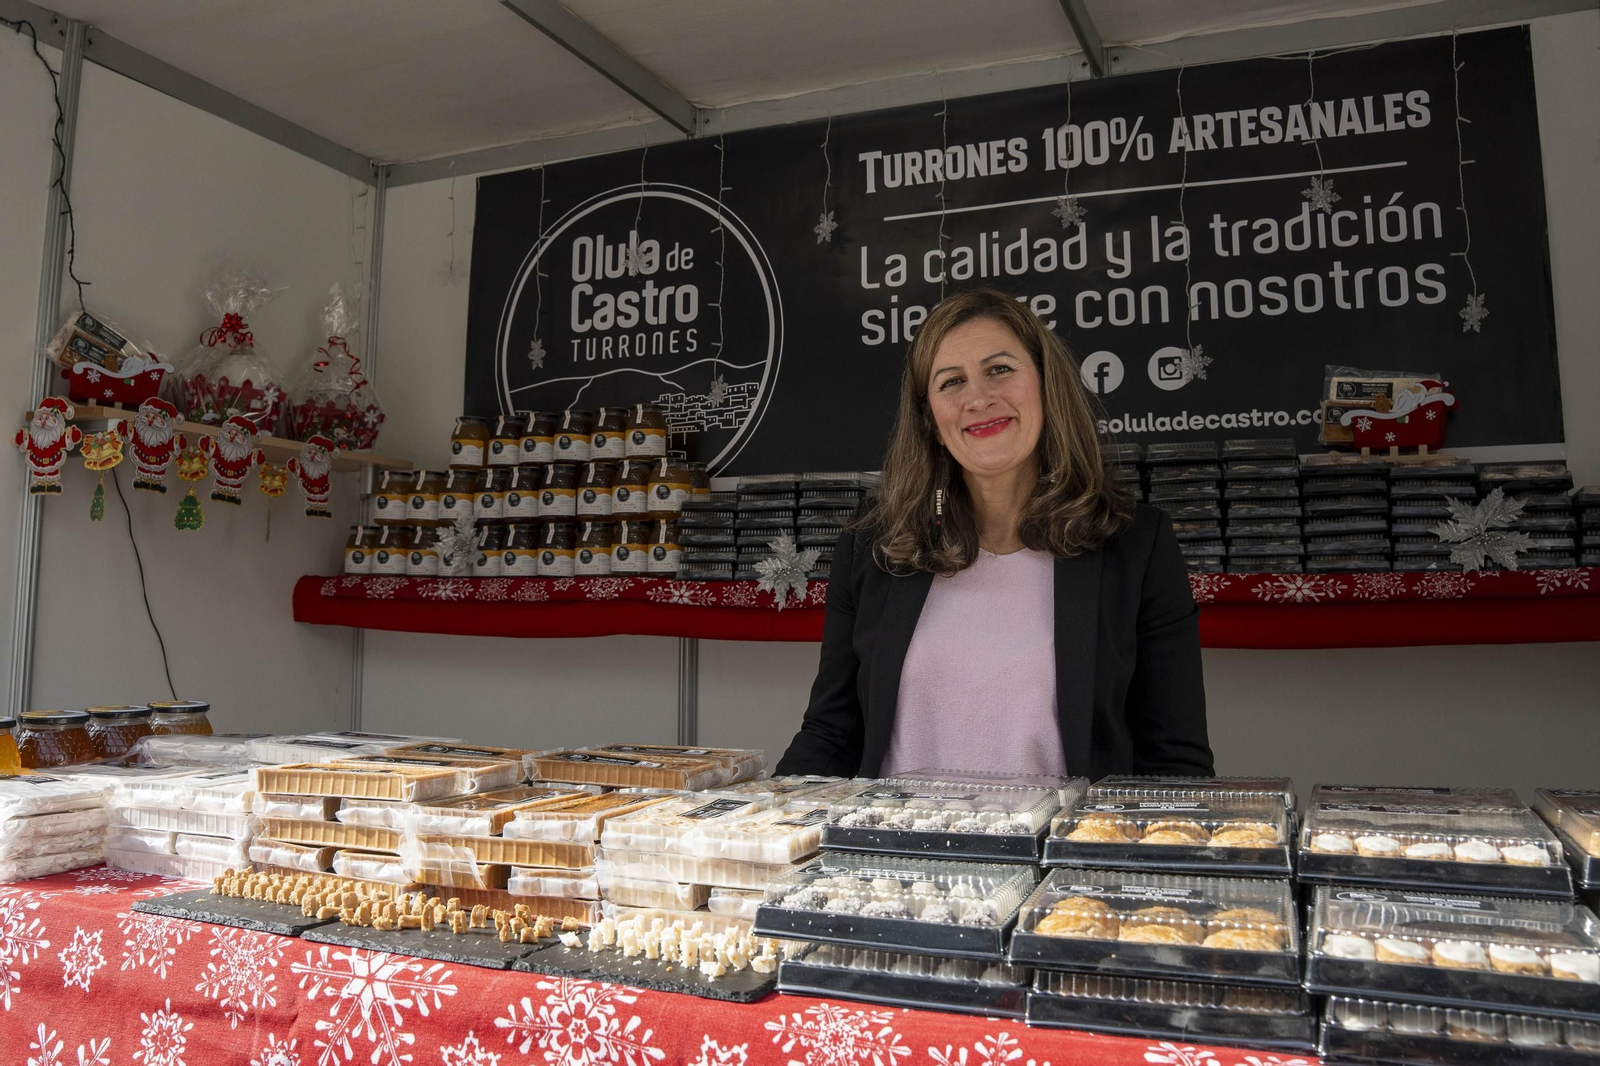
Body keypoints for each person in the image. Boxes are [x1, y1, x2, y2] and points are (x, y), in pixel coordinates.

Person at [775, 287, 1212, 780]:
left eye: (999, 369)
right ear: (931, 421)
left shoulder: (1136, 545)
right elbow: (831, 734)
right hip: (895, 852)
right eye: (951, 382)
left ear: (1047, 386)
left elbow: (1175, 763)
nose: (978, 398)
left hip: (1058, 857)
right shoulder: (874, 546)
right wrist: (763, 824)